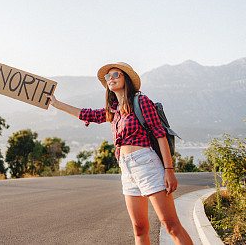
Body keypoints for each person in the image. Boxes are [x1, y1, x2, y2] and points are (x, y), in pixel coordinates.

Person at [46, 62, 193, 245]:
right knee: (139, 228)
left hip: (147, 164)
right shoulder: (113, 111)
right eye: (108, 77)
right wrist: (57, 104)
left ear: (126, 79)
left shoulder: (141, 102)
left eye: (116, 75)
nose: (111, 79)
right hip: (127, 170)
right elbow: (85, 114)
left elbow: (161, 135)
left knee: (170, 225)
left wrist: (169, 170)